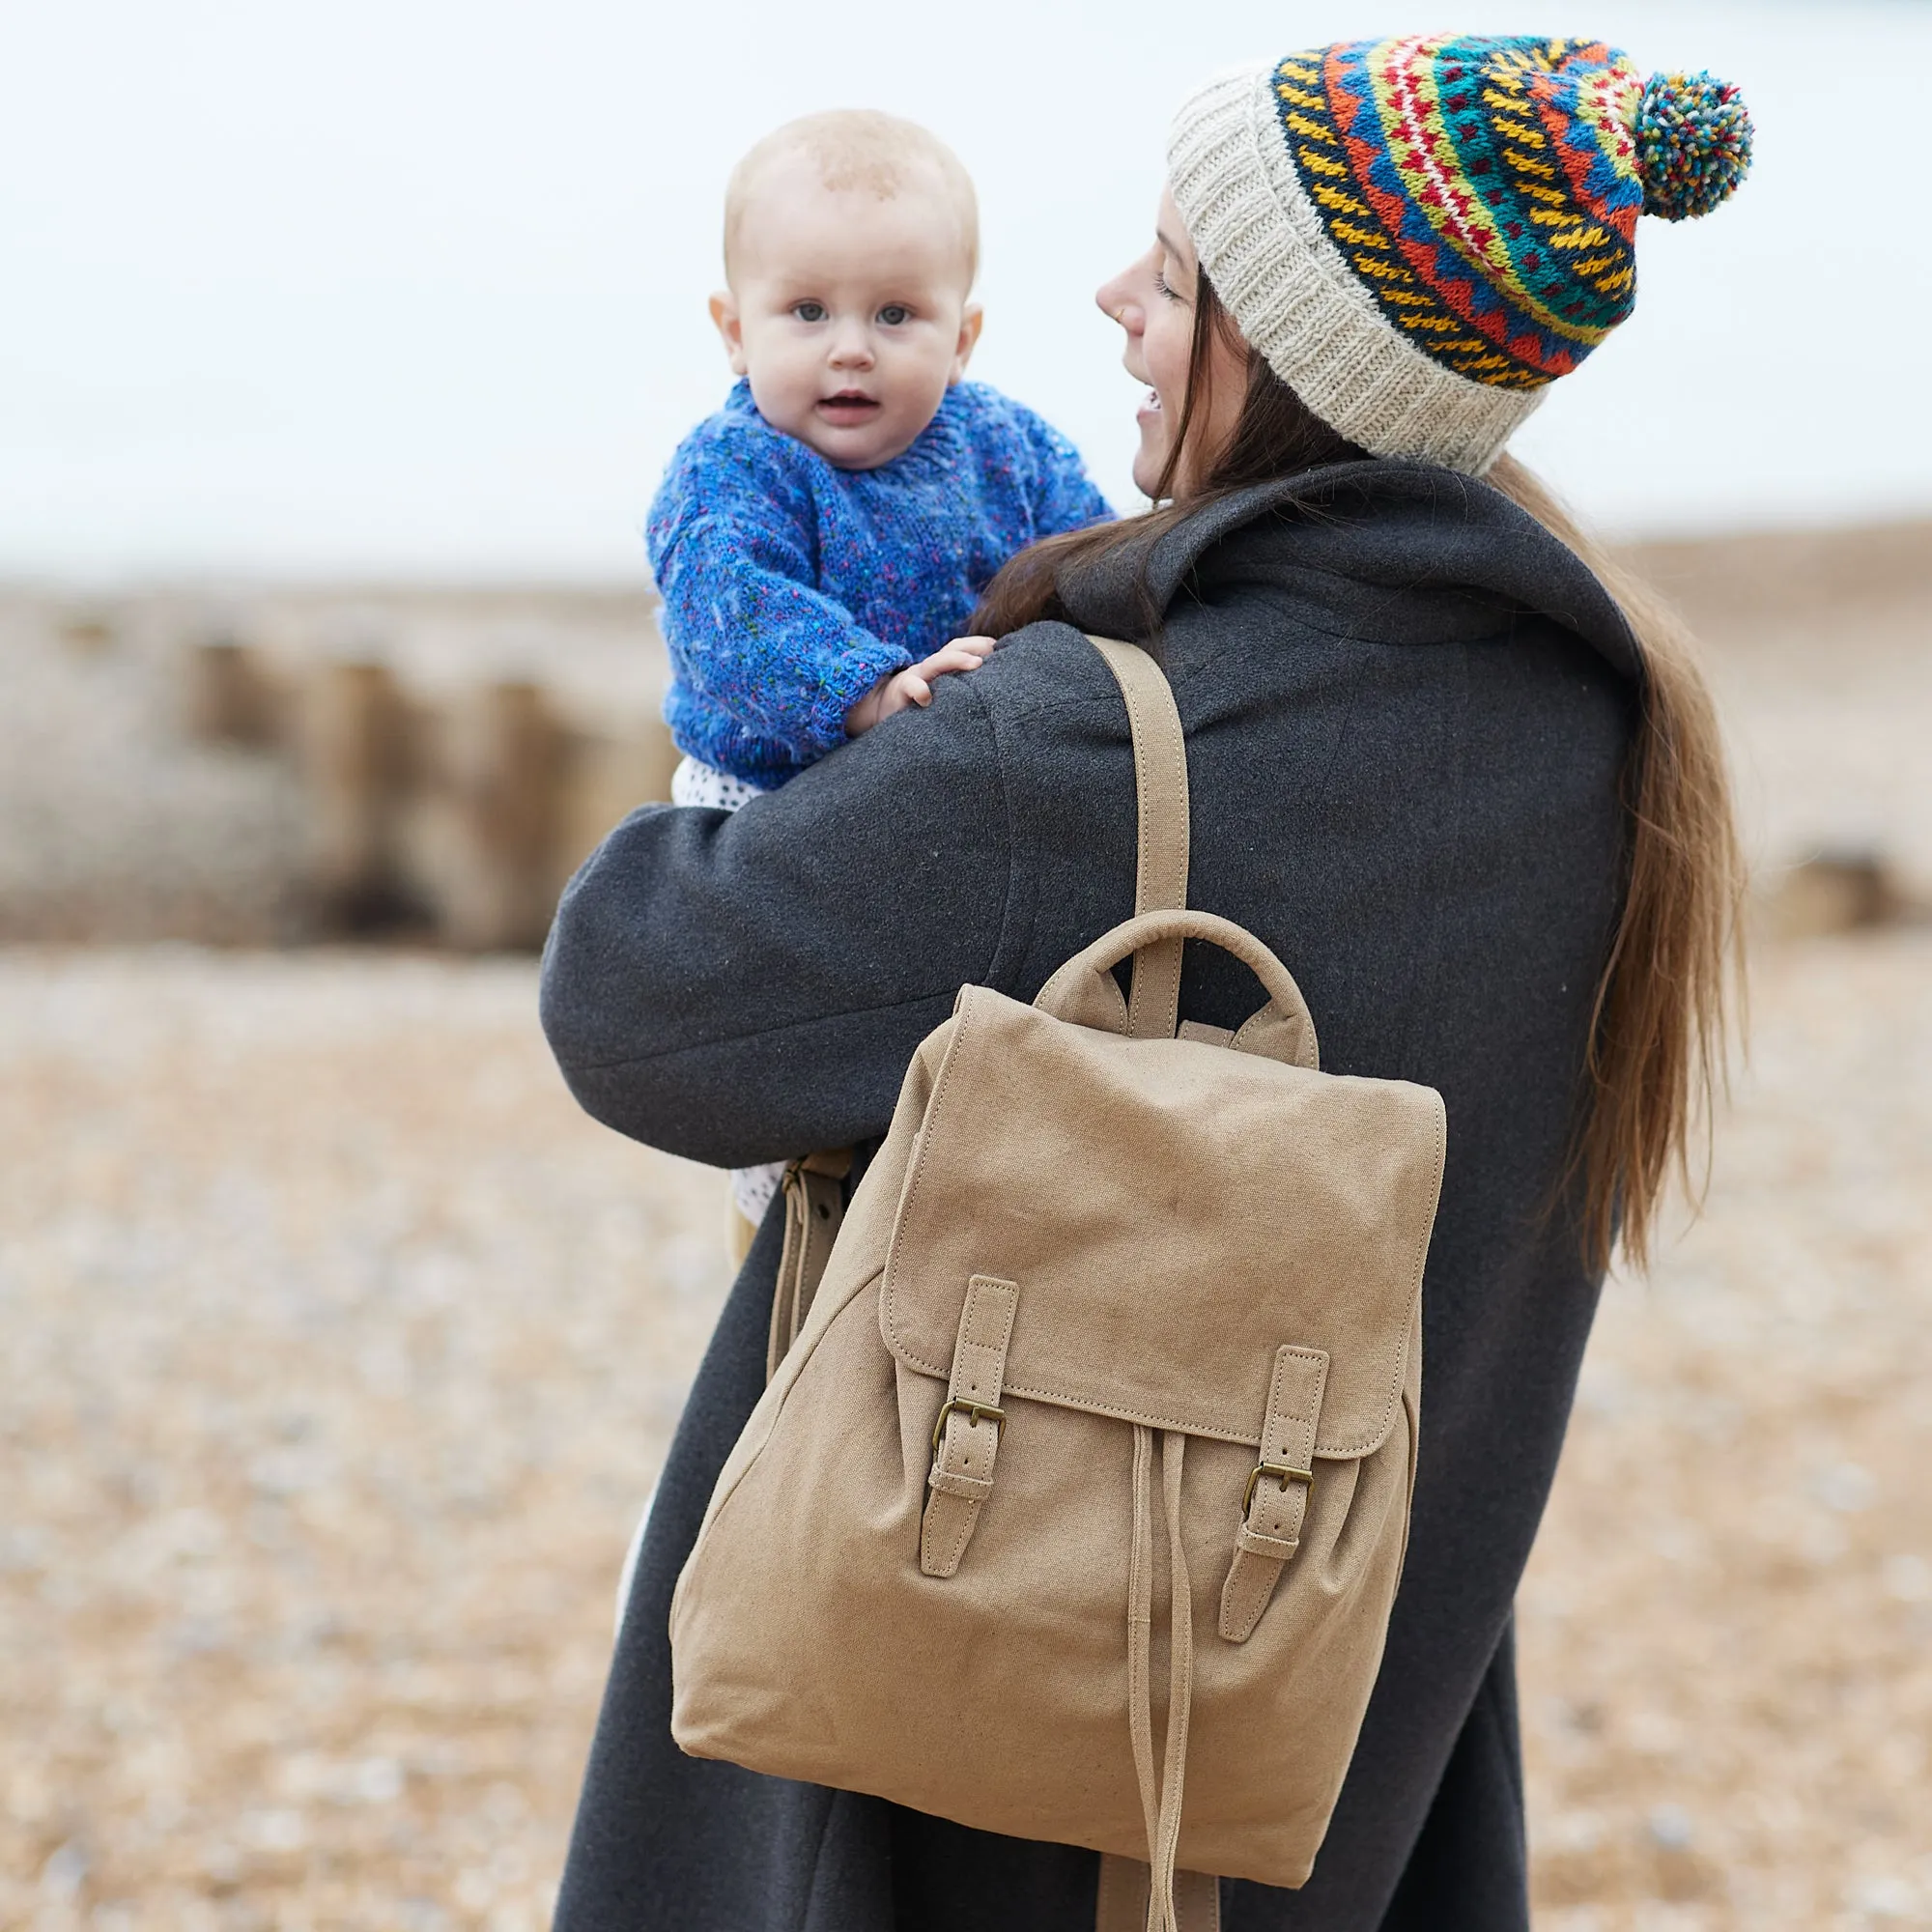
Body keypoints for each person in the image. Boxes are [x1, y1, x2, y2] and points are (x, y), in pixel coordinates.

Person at [541, 33, 1748, 1931]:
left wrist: (743, 773)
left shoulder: (1101, 739)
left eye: (1174, 276)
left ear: (1293, 355)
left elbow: (637, 995)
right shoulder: (1604, 731)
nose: (1109, 297)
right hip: (1335, 1752)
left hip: (994, 1740)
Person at [648, 105, 1112, 1230]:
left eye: (895, 313)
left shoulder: (1006, 446)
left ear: (962, 336)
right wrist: (863, 685)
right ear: (732, 326)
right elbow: (726, 604)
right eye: (805, 311)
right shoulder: (735, 465)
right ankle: (785, 1224)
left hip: (953, 789)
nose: (849, 345)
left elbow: (1089, 554)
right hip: (769, 797)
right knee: (796, 1073)